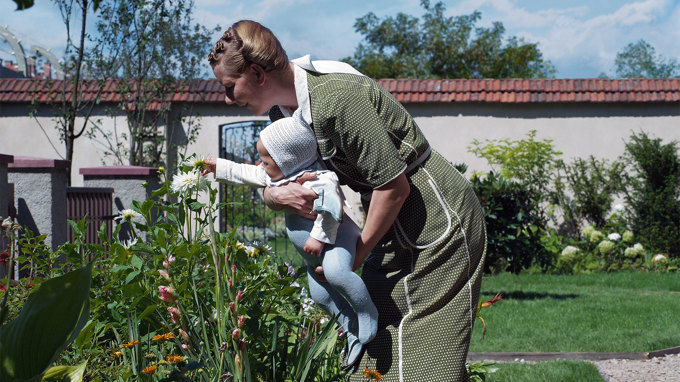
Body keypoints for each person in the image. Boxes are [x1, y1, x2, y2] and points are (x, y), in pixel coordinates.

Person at [207, 20, 487, 381]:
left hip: (435, 217)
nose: (228, 99)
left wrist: (356, 255)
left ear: (258, 73)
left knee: (427, 363)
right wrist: (275, 196)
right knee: (373, 351)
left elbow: (394, 187)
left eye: (230, 87)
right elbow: (278, 181)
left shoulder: (337, 98)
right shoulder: (283, 115)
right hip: (387, 221)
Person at [204, 110, 378, 366]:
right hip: (313, 256)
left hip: (336, 241)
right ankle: (349, 326)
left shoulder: (319, 179)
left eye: (265, 160)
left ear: (287, 160)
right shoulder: (278, 177)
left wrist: (318, 238)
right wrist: (218, 166)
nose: (260, 164)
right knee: (321, 297)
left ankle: (367, 313)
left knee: (338, 273)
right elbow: (246, 173)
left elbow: (332, 208)